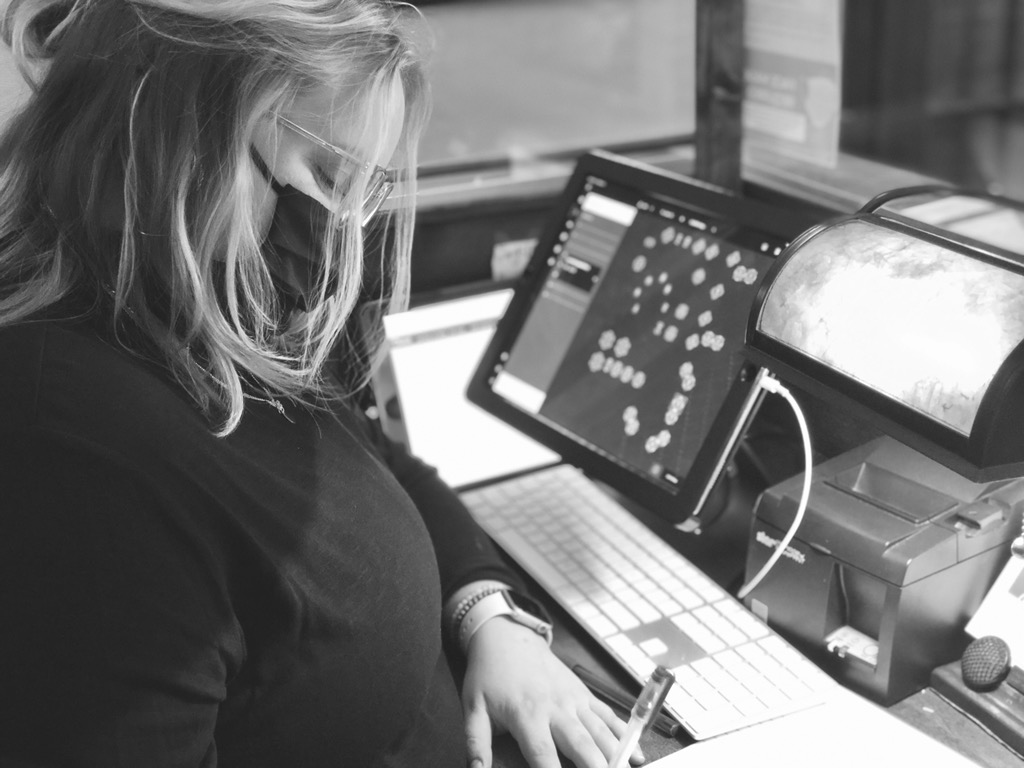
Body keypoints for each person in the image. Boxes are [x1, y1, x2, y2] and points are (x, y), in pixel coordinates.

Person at [0, 1, 645, 767]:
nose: (342, 231)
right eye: (329, 176)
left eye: (365, 192)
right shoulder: (72, 457)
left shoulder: (219, 320)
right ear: (167, 130)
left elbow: (380, 464)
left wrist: (490, 616)